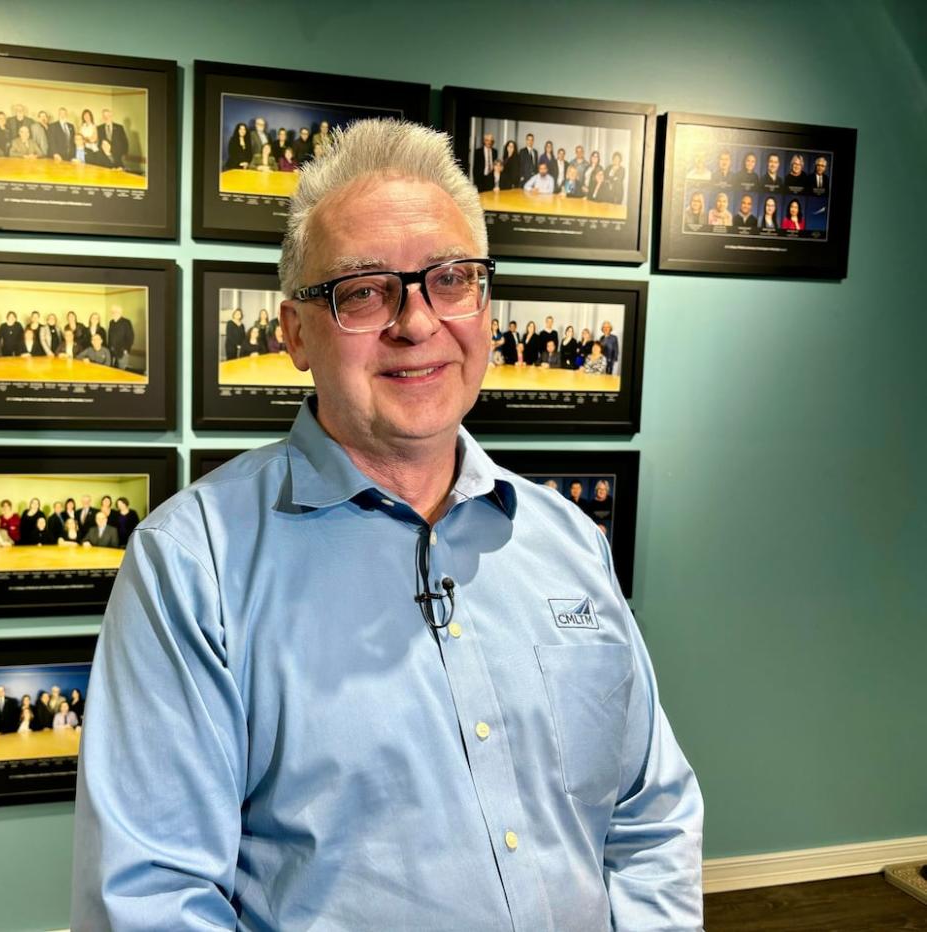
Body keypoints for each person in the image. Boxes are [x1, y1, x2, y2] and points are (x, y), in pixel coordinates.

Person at [71, 119, 702, 931]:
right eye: (363, 291)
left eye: (450, 279)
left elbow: (651, 816)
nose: (416, 322)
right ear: (294, 332)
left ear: (484, 304)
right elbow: (151, 902)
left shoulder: (568, 541)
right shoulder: (192, 567)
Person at [107, 307, 134, 371]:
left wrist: (126, 349)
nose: (114, 313)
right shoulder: (111, 322)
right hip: (112, 352)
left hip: (122, 352)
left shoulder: (126, 322)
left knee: (122, 371)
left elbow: (130, 337)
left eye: (116, 312)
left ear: (120, 312)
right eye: (112, 312)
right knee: (112, 370)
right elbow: (110, 336)